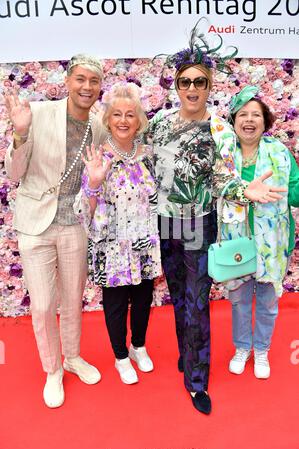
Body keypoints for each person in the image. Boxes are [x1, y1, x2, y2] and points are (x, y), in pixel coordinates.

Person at [146, 25, 286, 414]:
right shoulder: (159, 123)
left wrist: (246, 191)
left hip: (198, 225)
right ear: (176, 85)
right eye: (185, 81)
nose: (192, 88)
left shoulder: (220, 130)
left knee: (196, 302)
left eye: (200, 82)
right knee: (178, 298)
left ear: (209, 87)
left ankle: (196, 381)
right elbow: (146, 168)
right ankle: (186, 354)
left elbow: (225, 177)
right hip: (165, 223)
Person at [5, 53, 106, 408]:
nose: (86, 87)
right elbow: (14, 174)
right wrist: (19, 134)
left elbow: (98, 177)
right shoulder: (38, 113)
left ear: (99, 87)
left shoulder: (99, 126)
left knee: (72, 298)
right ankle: (52, 370)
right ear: (68, 81)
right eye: (81, 79)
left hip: (74, 223)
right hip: (36, 224)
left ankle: (73, 357)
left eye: (93, 81)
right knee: (44, 304)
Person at [74, 82, 161, 385]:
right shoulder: (97, 157)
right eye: (117, 115)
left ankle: (138, 346)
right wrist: (94, 183)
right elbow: (85, 208)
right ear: (108, 120)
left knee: (142, 298)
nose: (123, 121)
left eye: (130, 115)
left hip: (144, 240)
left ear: (139, 121)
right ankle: (121, 356)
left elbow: (158, 198)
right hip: (111, 244)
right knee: (114, 303)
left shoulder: (148, 154)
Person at [220, 86, 299, 379]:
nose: (249, 120)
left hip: (273, 242)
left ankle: (262, 349)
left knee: (267, 300)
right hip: (235, 240)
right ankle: (243, 347)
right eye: (243, 114)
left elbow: (293, 191)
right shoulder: (224, 156)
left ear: (265, 122)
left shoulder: (280, 152)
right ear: (234, 119)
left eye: (256, 114)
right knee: (239, 299)